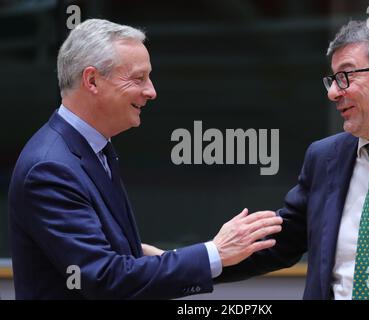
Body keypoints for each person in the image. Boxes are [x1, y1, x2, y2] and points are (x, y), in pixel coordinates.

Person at [7, 19, 283, 300]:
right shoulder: (50, 168)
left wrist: (156, 256)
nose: (151, 91)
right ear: (92, 81)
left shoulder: (90, 149)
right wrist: (215, 253)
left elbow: (109, 253)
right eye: (138, 78)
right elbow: (104, 278)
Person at [216, 16, 369, 299]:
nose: (332, 92)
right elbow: (279, 244)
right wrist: (188, 261)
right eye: (332, 79)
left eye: (345, 76)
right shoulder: (325, 158)